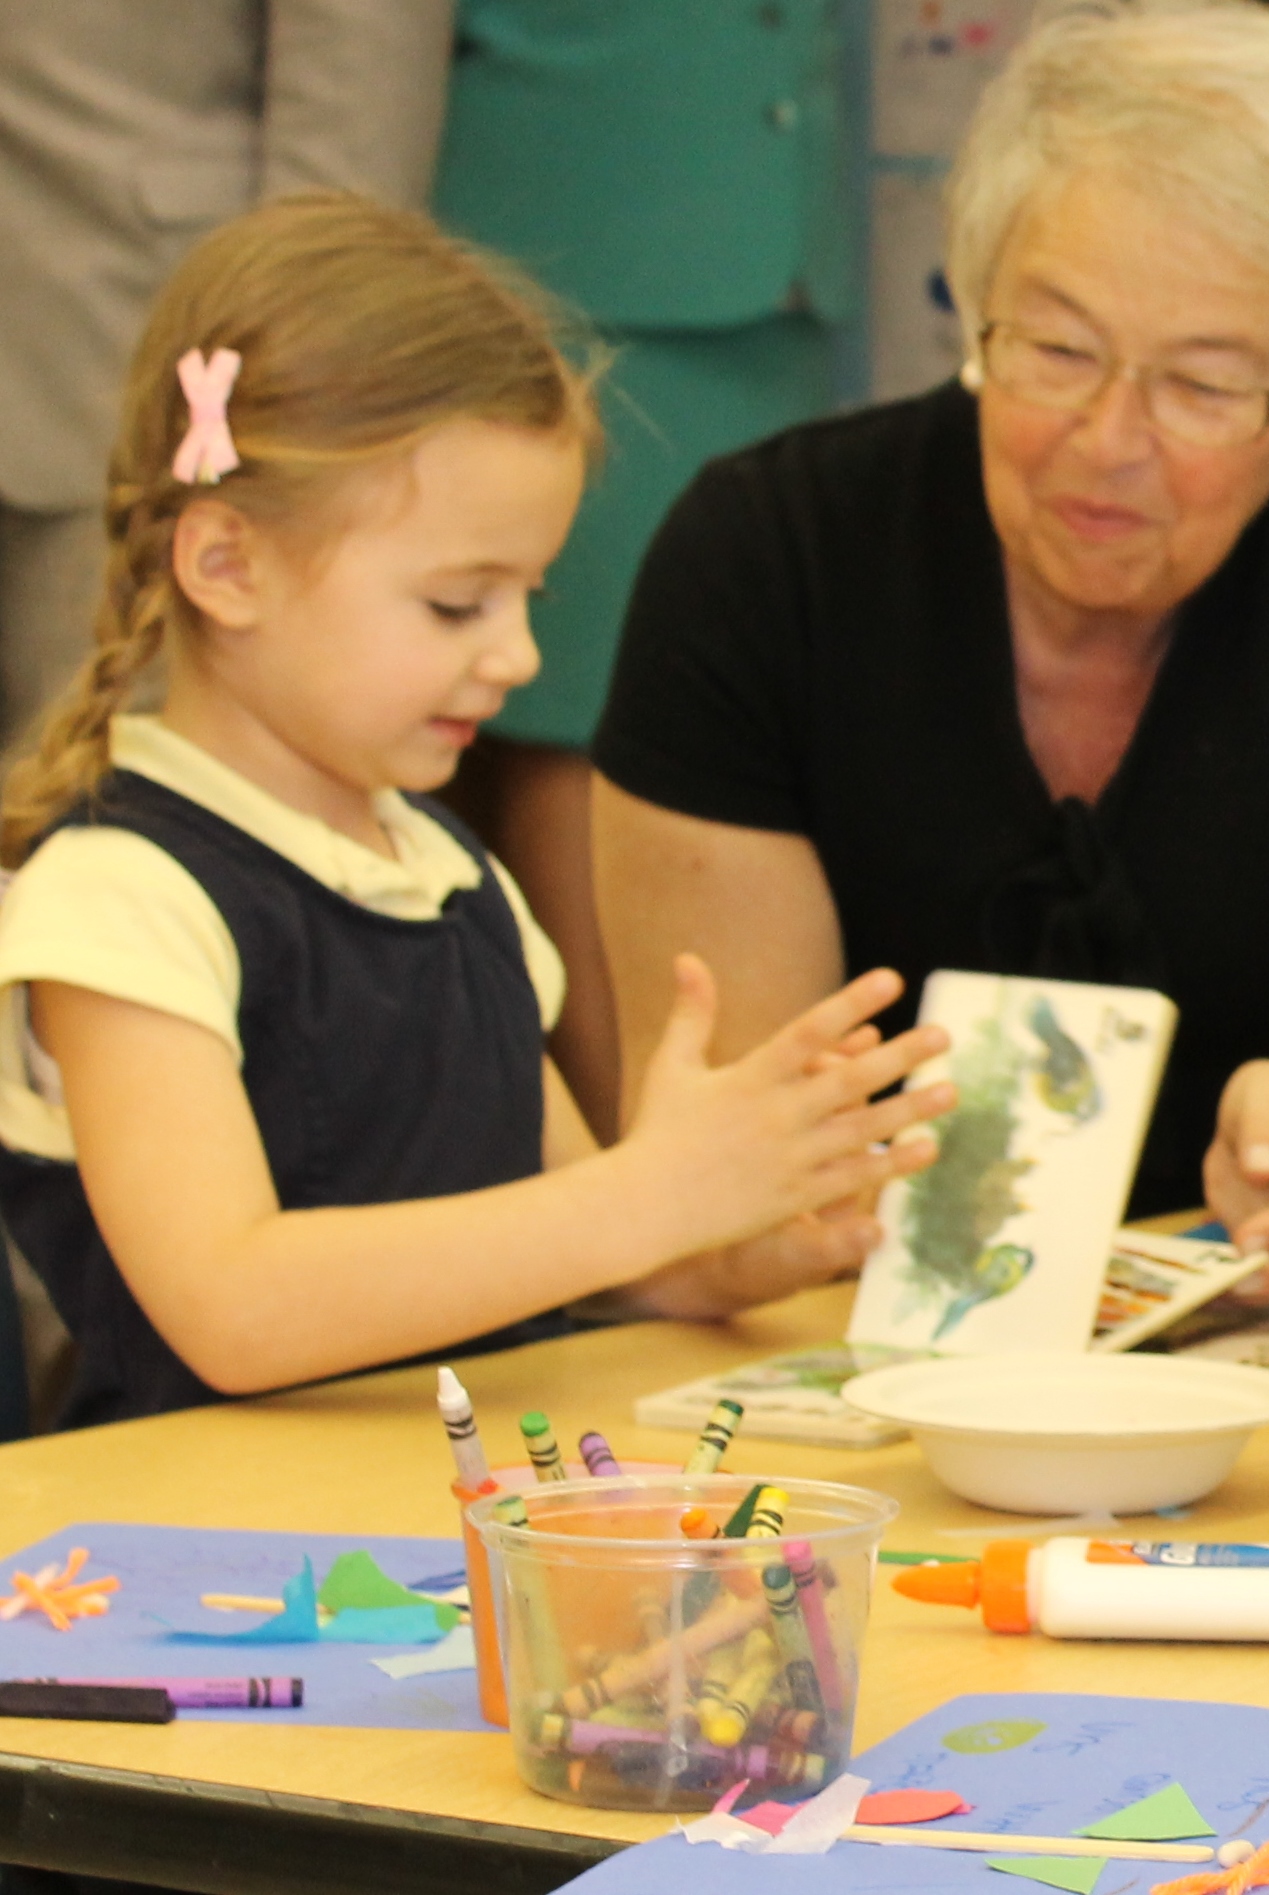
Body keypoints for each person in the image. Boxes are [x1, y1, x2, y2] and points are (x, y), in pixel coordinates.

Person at [590, 0, 1269, 1298]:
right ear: (972, 316)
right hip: (844, 1329)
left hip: (1265, 1329)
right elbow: (717, 1152)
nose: (1109, 438)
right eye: (1055, 348)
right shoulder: (766, 557)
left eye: (1204, 385)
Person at [0, 196, 954, 1431]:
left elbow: (577, 1245)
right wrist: (644, 1198)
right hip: (198, 1563)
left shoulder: (444, 869)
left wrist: (735, 1237)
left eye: (528, 596)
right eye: (458, 605)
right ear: (225, 564)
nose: (515, 657)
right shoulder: (119, 895)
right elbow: (232, 1307)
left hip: (443, 1524)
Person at [0, 0, 457, 1439]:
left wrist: (314, 377)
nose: (507, 654)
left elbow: (352, 80)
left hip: (123, 332)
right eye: (466, 606)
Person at [430, 0, 857, 1138]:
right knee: (581, 710)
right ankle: (641, 1170)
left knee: (754, 695)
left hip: (779, 246)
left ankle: (696, 1175)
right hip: (574, 236)